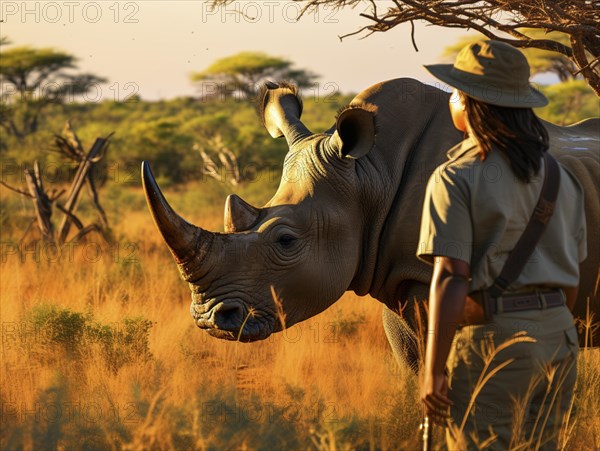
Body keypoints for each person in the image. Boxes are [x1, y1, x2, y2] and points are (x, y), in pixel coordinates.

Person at [416, 40, 587, 450]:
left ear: (473, 104)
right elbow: (573, 281)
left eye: (457, 92)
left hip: (496, 341)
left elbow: (450, 278)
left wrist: (433, 369)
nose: (452, 99)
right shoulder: (559, 175)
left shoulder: (455, 177)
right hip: (560, 338)